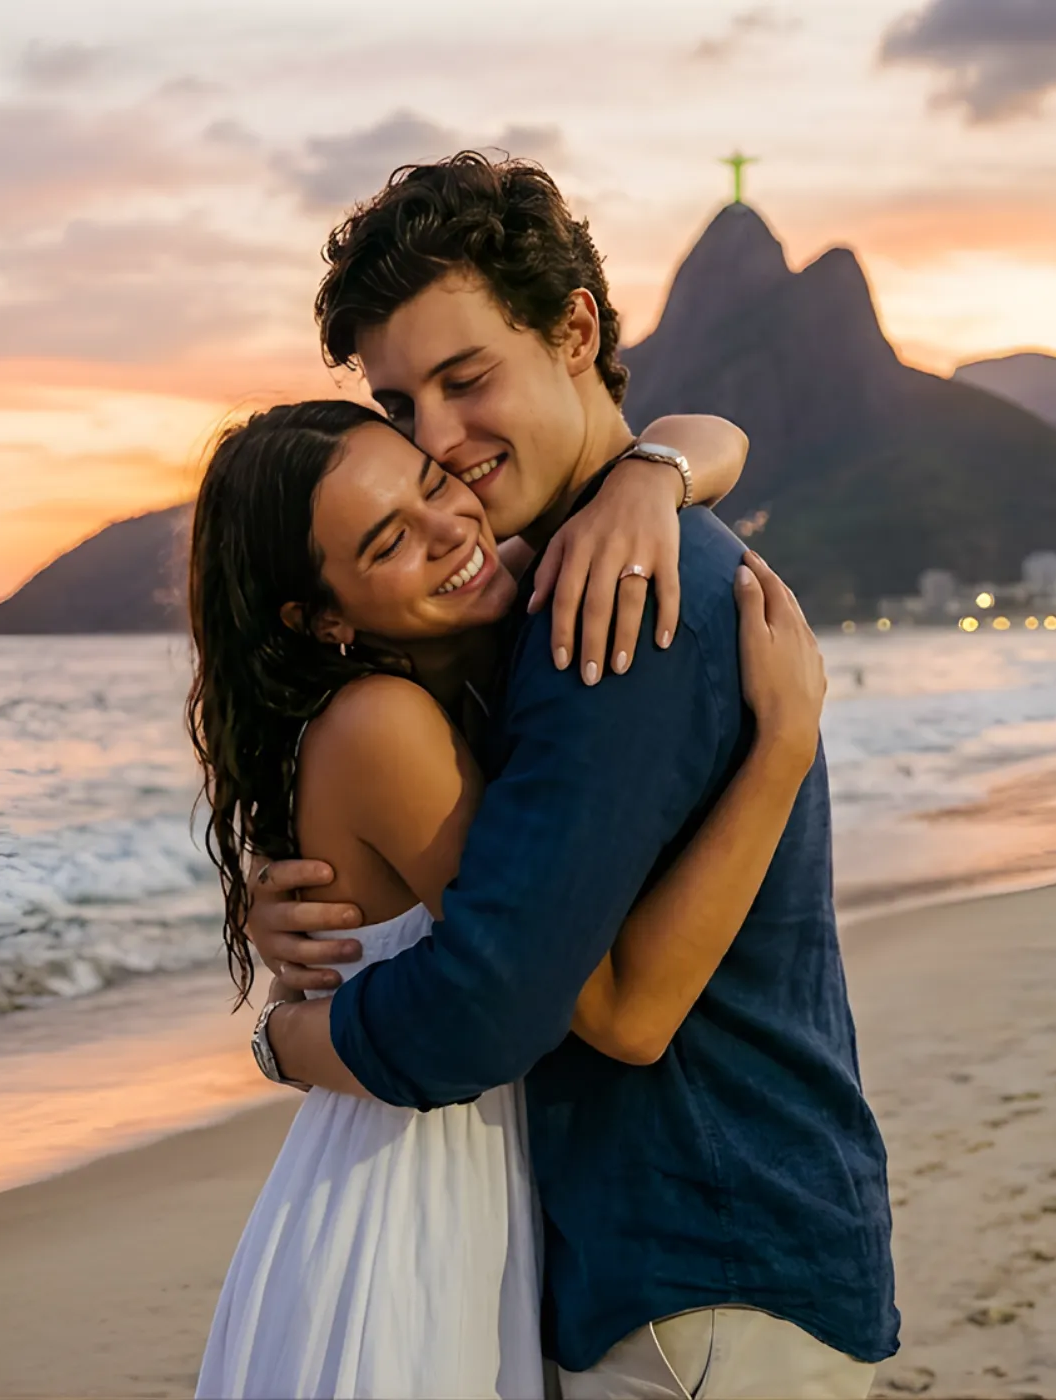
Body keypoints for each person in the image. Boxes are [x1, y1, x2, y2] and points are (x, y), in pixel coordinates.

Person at [250, 154, 898, 1398]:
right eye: (399, 402)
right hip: (713, 1253)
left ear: (576, 331)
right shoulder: (590, 549)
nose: (436, 441)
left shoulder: (610, 608)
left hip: (695, 1271)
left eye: (464, 376)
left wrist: (286, 1039)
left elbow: (521, 1008)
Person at [188, 398, 825, 1398]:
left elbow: (721, 435)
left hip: (465, 1172)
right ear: (322, 618)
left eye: (434, 483)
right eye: (390, 539)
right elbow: (596, 997)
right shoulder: (383, 722)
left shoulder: (485, 632)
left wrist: (647, 474)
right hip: (400, 1197)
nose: (451, 530)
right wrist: (780, 747)